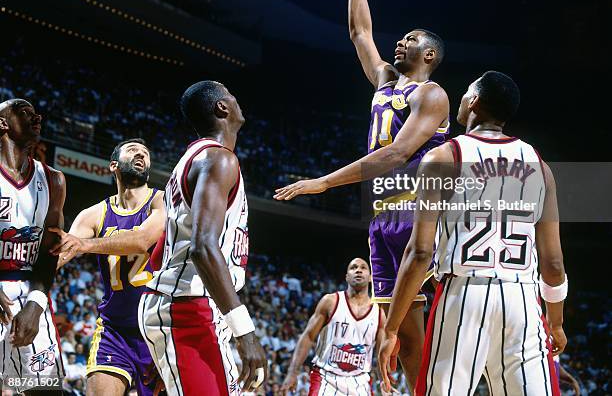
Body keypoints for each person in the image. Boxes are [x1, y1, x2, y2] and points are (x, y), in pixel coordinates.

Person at [274, 0, 449, 389]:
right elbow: (359, 31)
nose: (400, 42)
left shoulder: (431, 95)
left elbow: (396, 153)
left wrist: (325, 182)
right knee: (400, 340)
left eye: (410, 39)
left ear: (428, 53)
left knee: (426, 338)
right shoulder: (386, 81)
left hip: (419, 214)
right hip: (382, 218)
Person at [379, 71, 567, 396]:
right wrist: (556, 322)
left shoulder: (443, 157)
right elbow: (552, 263)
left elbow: (420, 252)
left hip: (463, 294)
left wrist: (392, 328)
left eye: (466, 93)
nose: (462, 99)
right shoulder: (540, 166)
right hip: (523, 299)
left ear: (475, 102)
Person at [139, 81, 266, 396]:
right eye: (231, 95)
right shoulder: (217, 159)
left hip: (187, 308)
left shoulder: (193, 161)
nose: (238, 100)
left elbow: (166, 249)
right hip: (188, 308)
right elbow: (202, 247)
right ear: (222, 107)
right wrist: (246, 332)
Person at [50, 138, 164, 396]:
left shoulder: (162, 201)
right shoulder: (93, 215)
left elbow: (142, 240)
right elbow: (60, 255)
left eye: (145, 153)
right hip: (115, 330)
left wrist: (85, 245)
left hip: (159, 332)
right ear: (114, 165)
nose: (141, 155)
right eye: (133, 150)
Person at [0, 99, 66, 385]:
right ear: (2, 123)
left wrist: (36, 304)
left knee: (44, 388)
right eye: (24, 112)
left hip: (28, 292)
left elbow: (50, 251)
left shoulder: (54, 180)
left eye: (36, 113)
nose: (36, 117)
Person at [281, 258, 384, 396]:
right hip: (326, 379)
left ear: (371, 277)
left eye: (363, 267)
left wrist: (384, 380)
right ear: (347, 277)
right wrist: (292, 372)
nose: (358, 270)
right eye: (353, 267)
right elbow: (308, 336)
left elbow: (382, 352)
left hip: (360, 382)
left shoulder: (379, 312)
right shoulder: (330, 301)